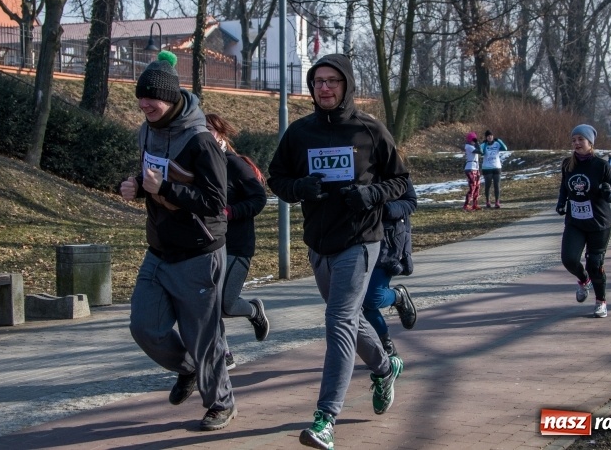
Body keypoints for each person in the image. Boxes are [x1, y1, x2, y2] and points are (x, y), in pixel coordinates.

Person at [267, 53, 409, 450]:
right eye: (318, 82)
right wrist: (299, 188)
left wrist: (370, 195)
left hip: (360, 239)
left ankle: (326, 419)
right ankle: (385, 368)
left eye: (332, 81)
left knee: (338, 321)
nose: (324, 88)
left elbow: (400, 182)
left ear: (346, 85)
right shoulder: (299, 132)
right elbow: (276, 178)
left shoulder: (370, 130)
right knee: (347, 318)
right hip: (319, 241)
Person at [119, 51, 236, 431]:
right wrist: (135, 186)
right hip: (158, 249)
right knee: (145, 327)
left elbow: (216, 203)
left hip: (199, 253)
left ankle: (221, 403)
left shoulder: (200, 141)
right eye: (140, 97)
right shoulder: (147, 130)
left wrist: (166, 189)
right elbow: (150, 175)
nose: (144, 104)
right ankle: (188, 369)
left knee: (203, 337)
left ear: (170, 98)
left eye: (151, 98)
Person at [205, 112, 270, 371]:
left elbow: (259, 199)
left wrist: (230, 212)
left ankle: (254, 310)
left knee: (225, 304)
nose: (203, 134)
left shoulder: (235, 164)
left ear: (221, 133)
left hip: (236, 245)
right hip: (206, 246)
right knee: (208, 305)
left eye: (209, 129)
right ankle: (224, 355)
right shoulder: (198, 163)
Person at [555, 124, 611, 318]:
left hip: (598, 222)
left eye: (581, 139)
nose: (577, 143)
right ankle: (583, 280)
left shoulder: (602, 166)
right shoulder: (568, 164)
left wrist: (607, 192)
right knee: (569, 259)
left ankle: (601, 301)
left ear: (590, 142)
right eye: (574, 140)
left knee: (594, 264)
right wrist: (561, 202)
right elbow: (564, 187)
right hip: (576, 222)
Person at [362, 178, 418, 358]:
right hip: (353, 241)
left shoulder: (393, 171)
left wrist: (382, 210)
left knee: (372, 298)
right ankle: (387, 348)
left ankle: (398, 296)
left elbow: (410, 202)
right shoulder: (348, 167)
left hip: (386, 242)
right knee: (361, 302)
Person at [479, 130, 508, 208]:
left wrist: (499, 140)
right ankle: (488, 201)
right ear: (486, 137)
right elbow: (482, 153)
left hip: (497, 167)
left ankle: (497, 202)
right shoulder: (483, 144)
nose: (490, 137)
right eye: (488, 136)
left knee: (497, 185)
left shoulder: (497, 143)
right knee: (488, 185)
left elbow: (505, 148)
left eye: (491, 136)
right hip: (487, 167)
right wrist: (485, 144)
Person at [463, 131, 482, 211]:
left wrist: (477, 144)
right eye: (473, 140)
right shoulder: (468, 146)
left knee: (477, 186)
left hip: (476, 168)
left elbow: (481, 151)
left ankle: (475, 204)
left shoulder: (473, 147)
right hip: (470, 168)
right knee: (472, 186)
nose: (474, 141)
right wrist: (477, 143)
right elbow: (480, 151)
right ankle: (466, 205)